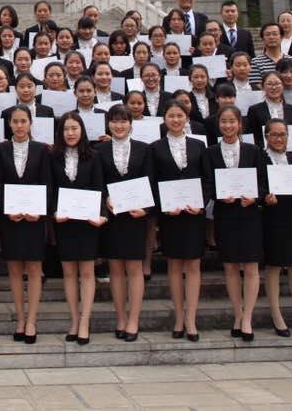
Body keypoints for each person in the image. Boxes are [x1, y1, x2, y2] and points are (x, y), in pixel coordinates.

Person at [151, 101, 211, 341]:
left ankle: (191, 319)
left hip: (194, 214)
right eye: (171, 116)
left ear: (187, 118)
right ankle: (178, 317)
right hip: (171, 216)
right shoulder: (155, 148)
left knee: (193, 265)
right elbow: (153, 181)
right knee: (174, 266)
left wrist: (201, 203)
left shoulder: (199, 145)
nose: (175, 120)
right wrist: (164, 208)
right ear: (164, 119)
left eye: (180, 116)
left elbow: (207, 180)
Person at [0, 104, 51, 343]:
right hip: (11, 219)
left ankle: (32, 321)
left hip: (35, 219)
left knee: (35, 270)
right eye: (15, 122)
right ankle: (19, 319)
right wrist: (8, 211)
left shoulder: (41, 150)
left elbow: (48, 183)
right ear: (9, 124)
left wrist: (40, 212)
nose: (19, 126)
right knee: (15, 270)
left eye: (23, 121)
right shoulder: (0, 149)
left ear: (30, 123)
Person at [208, 105, 266, 342]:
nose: (228, 126)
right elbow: (208, 183)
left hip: (249, 214)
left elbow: (264, 182)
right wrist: (220, 195)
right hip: (226, 214)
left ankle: (248, 317)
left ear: (240, 124)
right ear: (218, 125)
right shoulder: (210, 152)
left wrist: (256, 197)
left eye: (232, 121)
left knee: (251, 267)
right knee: (231, 267)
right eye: (224, 122)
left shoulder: (254, 151)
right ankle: (237, 314)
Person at [51, 111, 105, 345]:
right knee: (69, 272)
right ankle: (74, 320)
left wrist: (102, 214)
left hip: (87, 222)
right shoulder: (53, 157)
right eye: (66, 129)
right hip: (64, 223)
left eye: (74, 128)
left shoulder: (93, 156)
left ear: (82, 130)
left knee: (87, 272)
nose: (70, 133)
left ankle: (85, 321)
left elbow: (100, 187)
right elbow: (50, 188)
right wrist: (54, 212)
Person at [97, 105, 151, 341]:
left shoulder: (144, 149)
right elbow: (97, 182)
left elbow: (151, 181)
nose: (119, 126)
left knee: (135, 268)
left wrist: (146, 209)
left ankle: (133, 321)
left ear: (131, 123)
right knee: (116, 269)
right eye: (114, 121)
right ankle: (120, 318)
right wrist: (104, 198)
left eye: (124, 121)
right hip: (113, 217)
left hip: (136, 217)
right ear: (108, 124)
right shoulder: (99, 150)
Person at [261, 118, 292, 337]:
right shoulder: (260, 158)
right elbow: (257, 185)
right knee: (273, 266)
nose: (279, 139)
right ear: (266, 137)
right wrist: (265, 197)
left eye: (283, 135)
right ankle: (277, 315)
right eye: (274, 135)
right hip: (272, 217)